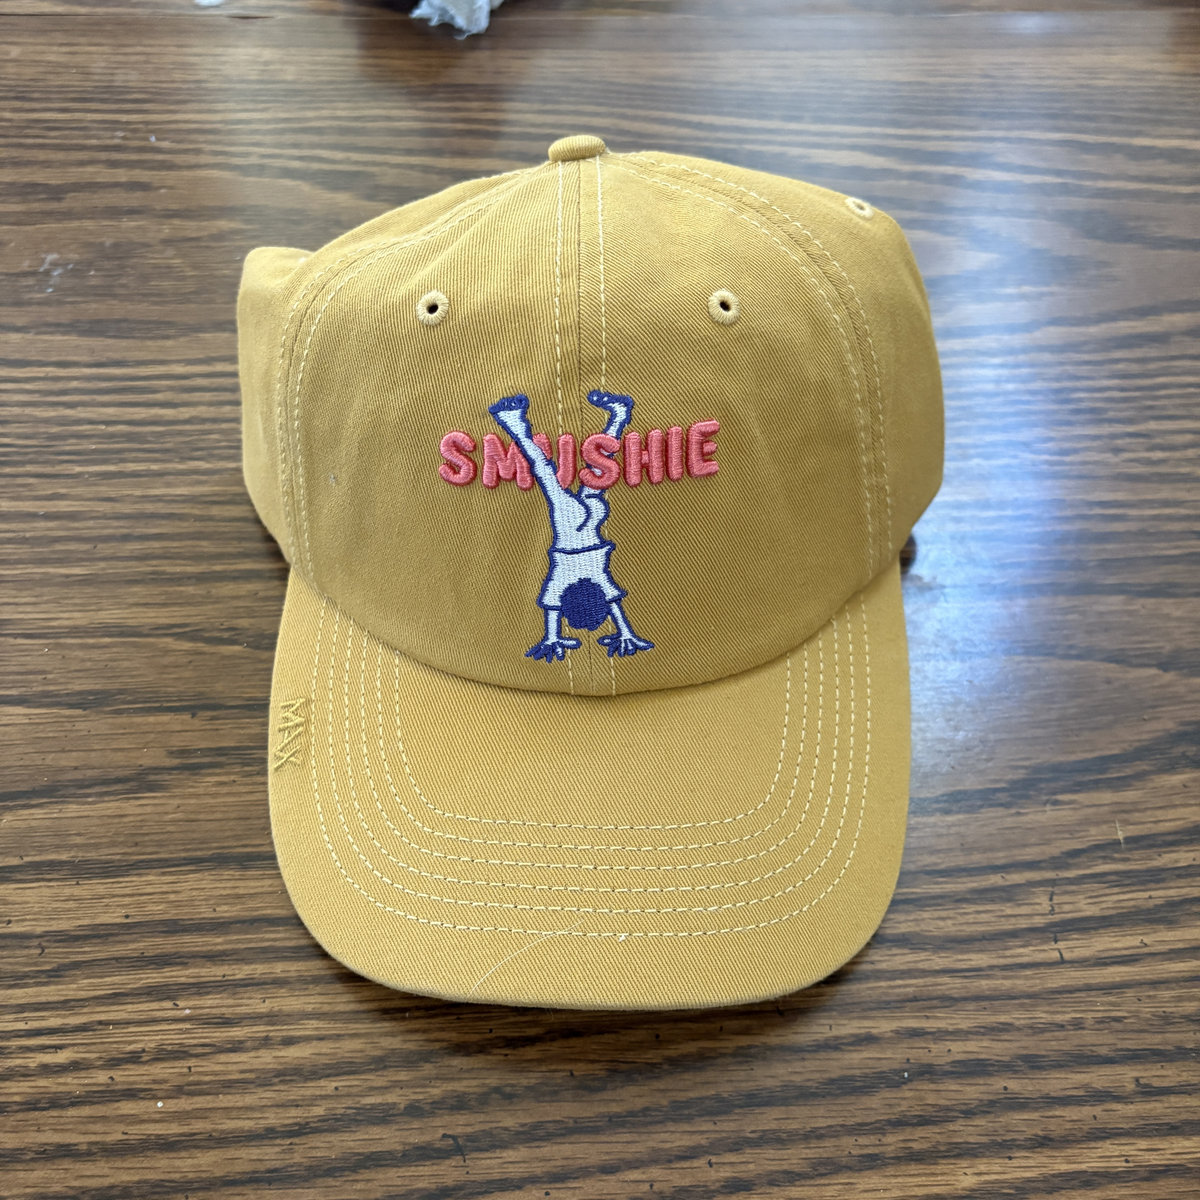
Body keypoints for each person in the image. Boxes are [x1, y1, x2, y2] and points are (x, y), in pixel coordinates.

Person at [487, 390, 655, 662]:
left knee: (593, 470)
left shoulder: (591, 584)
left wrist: (553, 638)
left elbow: (611, 603)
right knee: (552, 474)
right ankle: (515, 423)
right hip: (573, 530)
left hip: (588, 527)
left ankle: (617, 416)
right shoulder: (562, 584)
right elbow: (560, 606)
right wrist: (625, 633)